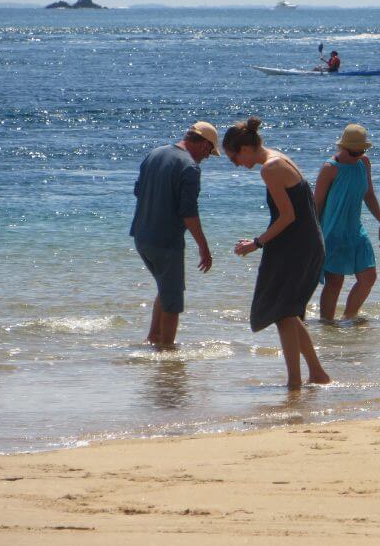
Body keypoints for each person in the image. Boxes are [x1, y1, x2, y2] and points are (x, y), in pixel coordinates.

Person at [223, 116, 330, 389]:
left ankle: (294, 382)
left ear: (245, 149)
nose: (235, 164)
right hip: (301, 243)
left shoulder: (270, 168)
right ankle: (317, 374)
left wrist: (256, 243)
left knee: (282, 313)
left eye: (234, 158)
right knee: (288, 312)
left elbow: (287, 217)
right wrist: (262, 241)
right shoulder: (279, 158)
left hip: (297, 246)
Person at [130, 122, 217, 347]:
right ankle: (167, 351)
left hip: (141, 236)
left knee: (166, 287)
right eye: (210, 151)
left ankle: (153, 337)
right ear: (204, 144)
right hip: (166, 242)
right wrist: (204, 247)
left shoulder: (154, 154)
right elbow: (188, 212)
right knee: (173, 299)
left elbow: (138, 191)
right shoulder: (189, 167)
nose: (208, 157)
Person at [314, 123, 380, 321]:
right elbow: (316, 204)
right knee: (334, 283)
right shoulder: (330, 168)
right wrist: (312, 234)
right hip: (332, 232)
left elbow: (369, 194)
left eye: (360, 152)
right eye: (353, 152)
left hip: (355, 230)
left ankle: (349, 318)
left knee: (368, 277)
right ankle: (327, 326)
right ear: (342, 147)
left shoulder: (364, 163)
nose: (357, 156)